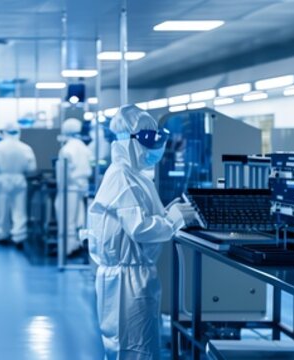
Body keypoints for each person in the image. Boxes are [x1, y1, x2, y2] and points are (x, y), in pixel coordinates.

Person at [87, 105, 192, 359]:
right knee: (134, 348)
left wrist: (168, 213)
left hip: (134, 275)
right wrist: (174, 221)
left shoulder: (135, 175)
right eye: (147, 139)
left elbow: (141, 216)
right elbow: (140, 228)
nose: (154, 145)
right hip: (127, 280)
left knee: (137, 346)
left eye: (157, 138)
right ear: (127, 140)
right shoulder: (122, 177)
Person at [0, 122, 36, 246]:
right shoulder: (25, 148)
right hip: (19, 179)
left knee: (2, 208)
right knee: (19, 209)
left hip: (3, 178)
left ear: (4, 132)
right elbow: (32, 168)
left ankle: (2, 234)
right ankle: (19, 236)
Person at [55, 119, 92, 257]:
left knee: (66, 218)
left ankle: (67, 249)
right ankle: (75, 244)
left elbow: (63, 172)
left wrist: (61, 185)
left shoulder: (67, 149)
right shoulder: (83, 147)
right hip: (82, 186)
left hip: (69, 187)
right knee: (78, 218)